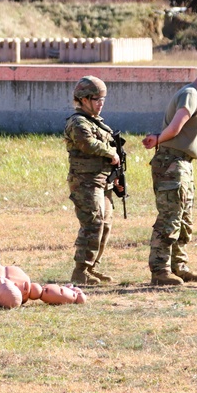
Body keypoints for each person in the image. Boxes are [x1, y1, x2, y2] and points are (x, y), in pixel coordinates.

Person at [142, 59, 197, 286]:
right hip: (173, 163)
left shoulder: (194, 96)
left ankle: (178, 267)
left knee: (183, 219)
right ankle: (160, 270)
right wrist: (159, 139)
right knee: (170, 218)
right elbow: (176, 127)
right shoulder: (190, 94)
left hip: (182, 163)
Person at [64, 76, 121, 285]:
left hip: (102, 181)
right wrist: (111, 153)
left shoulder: (97, 123)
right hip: (85, 182)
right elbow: (86, 143)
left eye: (102, 98)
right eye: (96, 98)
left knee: (104, 225)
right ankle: (80, 271)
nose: (101, 103)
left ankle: (91, 267)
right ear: (84, 99)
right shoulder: (77, 122)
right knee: (92, 224)